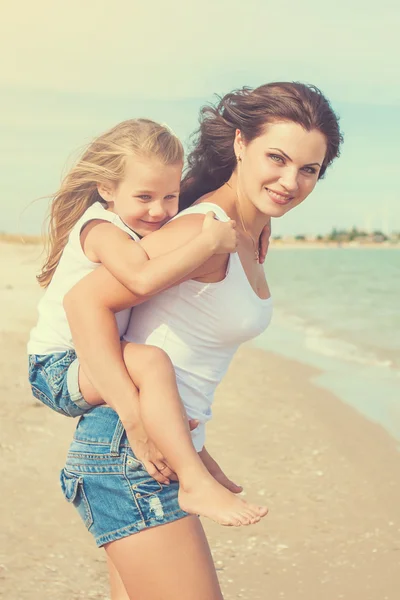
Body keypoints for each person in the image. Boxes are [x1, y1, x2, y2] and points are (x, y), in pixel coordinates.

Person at [61, 82, 343, 600]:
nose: (290, 181)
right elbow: (85, 301)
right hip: (129, 453)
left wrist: (197, 446)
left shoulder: (253, 231)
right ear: (240, 144)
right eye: (276, 158)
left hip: (160, 451)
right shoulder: (205, 229)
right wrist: (135, 417)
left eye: (309, 170)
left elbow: (179, 338)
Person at [28, 117, 270, 527]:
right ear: (107, 188)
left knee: (157, 375)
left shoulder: (134, 223)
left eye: (170, 197)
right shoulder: (102, 230)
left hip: (87, 359)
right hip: (56, 365)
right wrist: (208, 243)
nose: (159, 211)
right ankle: (193, 480)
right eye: (144, 196)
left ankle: (194, 461)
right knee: (153, 363)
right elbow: (141, 278)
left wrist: (259, 222)